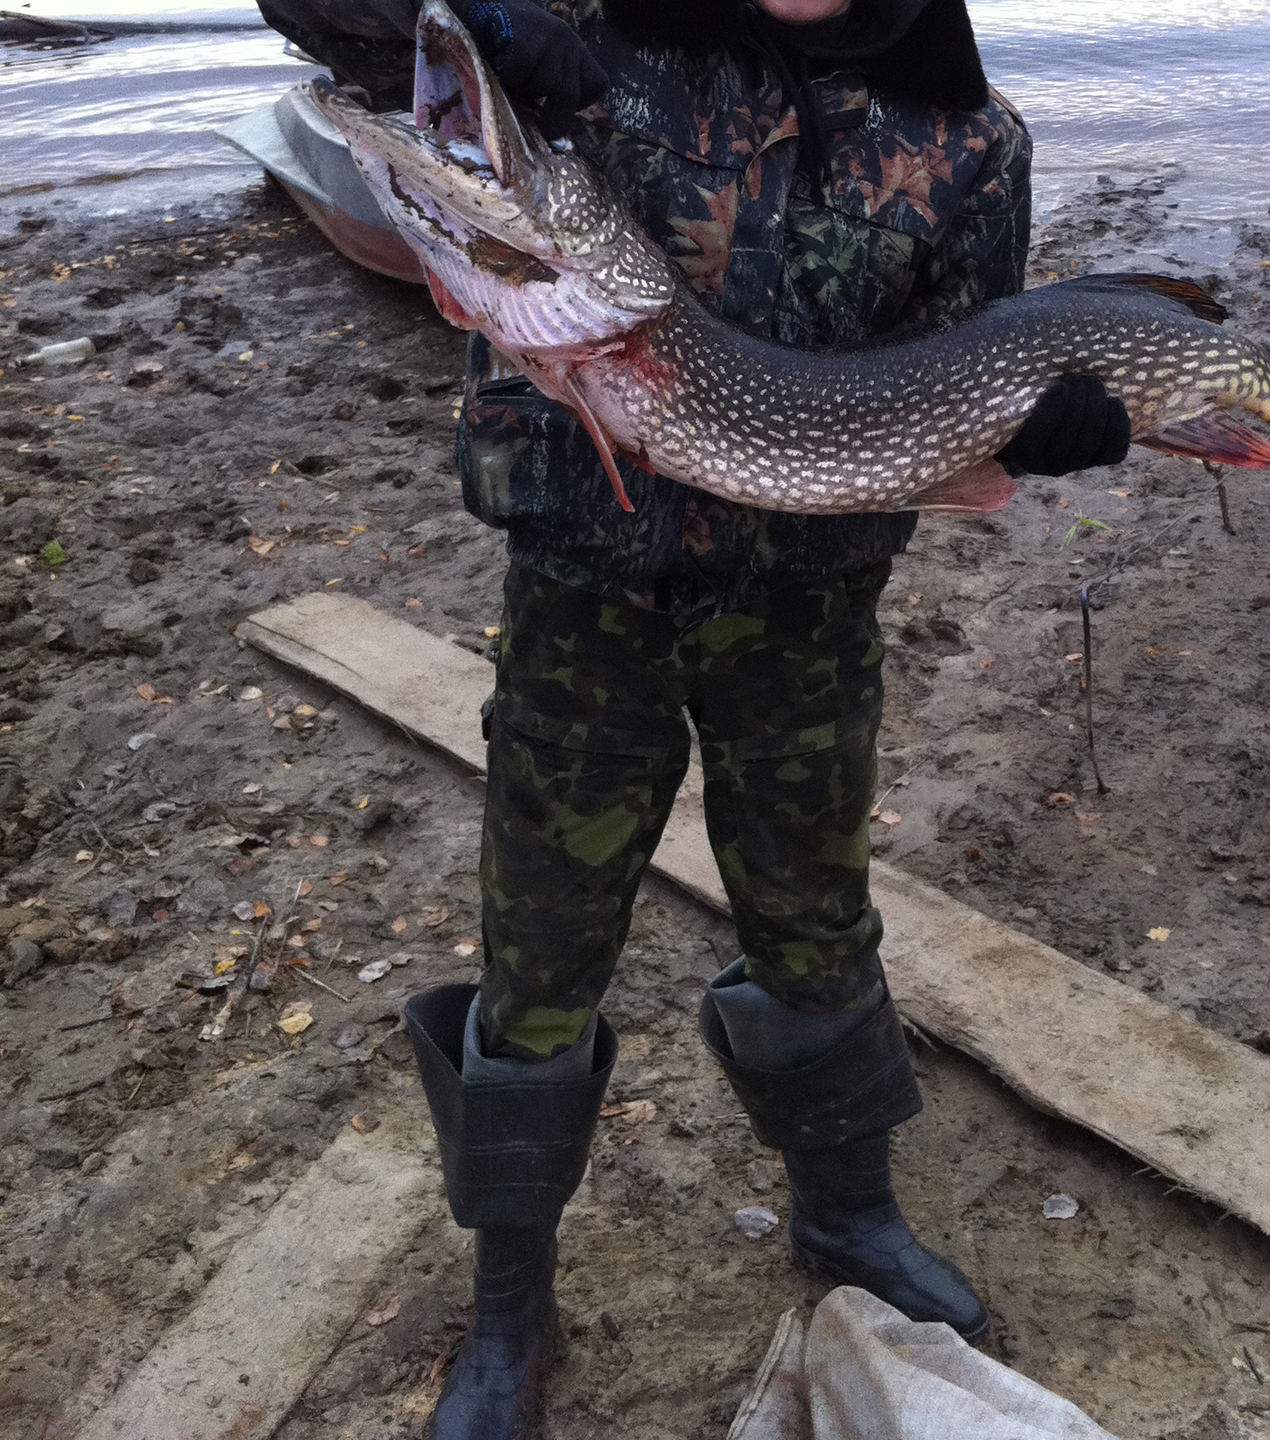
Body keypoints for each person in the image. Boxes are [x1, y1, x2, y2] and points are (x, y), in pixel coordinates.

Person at [258, 0, 1130, 1433]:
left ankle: (849, 1218)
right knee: (539, 950)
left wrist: (1037, 416)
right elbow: (355, 28)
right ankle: (509, 1308)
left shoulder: (968, 137)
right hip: (584, 597)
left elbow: (966, 359)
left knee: (817, 922)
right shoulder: (597, 62)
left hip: (805, 611)